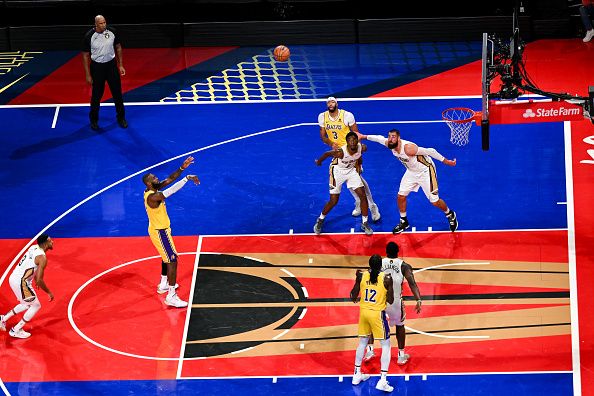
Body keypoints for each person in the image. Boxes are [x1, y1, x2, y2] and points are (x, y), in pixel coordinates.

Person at [358, 129, 458, 234]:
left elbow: (431, 151)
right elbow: (379, 138)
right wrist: (363, 136)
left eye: (393, 137)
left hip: (426, 171)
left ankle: (450, 214)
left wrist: (447, 162)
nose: (390, 139)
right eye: (389, 136)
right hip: (411, 172)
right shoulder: (390, 144)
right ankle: (404, 221)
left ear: (399, 138)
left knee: (434, 201)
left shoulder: (408, 148)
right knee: (401, 196)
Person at [143, 156, 200, 308]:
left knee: (166, 257)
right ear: (149, 183)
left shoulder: (151, 189)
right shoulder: (154, 197)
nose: (157, 178)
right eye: (154, 178)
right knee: (172, 260)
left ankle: (163, 284)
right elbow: (170, 191)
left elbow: (169, 179)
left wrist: (182, 168)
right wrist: (186, 179)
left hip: (160, 229)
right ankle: (171, 296)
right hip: (160, 232)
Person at [318, 97, 380, 222]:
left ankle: (373, 206)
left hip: (351, 151)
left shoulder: (347, 115)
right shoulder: (322, 117)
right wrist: (331, 143)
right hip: (338, 154)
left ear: (337, 103)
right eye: (328, 102)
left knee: (359, 181)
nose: (331, 104)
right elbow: (323, 136)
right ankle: (358, 202)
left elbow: (356, 135)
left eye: (333, 102)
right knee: (349, 182)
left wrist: (357, 155)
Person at [363, 242, 422, 365]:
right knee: (400, 326)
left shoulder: (379, 263)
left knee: (372, 323)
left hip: (380, 299)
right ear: (398, 252)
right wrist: (418, 299)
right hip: (395, 301)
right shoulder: (404, 266)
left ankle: (370, 350)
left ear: (386, 251)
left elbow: (370, 277)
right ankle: (401, 356)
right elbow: (412, 283)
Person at [349, 254, 395, 392]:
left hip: (364, 312)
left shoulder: (361, 275)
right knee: (386, 345)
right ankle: (382, 380)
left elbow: (353, 295)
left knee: (362, 343)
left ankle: (356, 374)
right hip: (377, 315)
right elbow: (391, 300)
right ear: (381, 265)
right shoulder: (386, 278)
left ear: (369, 264)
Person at [314, 131, 373, 235]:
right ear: (347, 142)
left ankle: (365, 223)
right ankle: (320, 219)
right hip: (337, 172)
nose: (353, 142)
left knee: (363, 196)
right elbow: (327, 154)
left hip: (351, 171)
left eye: (354, 139)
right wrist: (319, 161)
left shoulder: (362, 147)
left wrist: (359, 164)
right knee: (334, 201)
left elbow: (359, 156)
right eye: (350, 140)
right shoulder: (340, 152)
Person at [0, 234, 54, 339]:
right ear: (45, 243)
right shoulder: (42, 258)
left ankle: (3, 319)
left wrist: (35, 280)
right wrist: (49, 292)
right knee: (36, 305)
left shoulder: (33, 247)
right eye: (50, 240)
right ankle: (16, 330)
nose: (52, 242)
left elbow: (29, 267)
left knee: (26, 303)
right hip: (21, 283)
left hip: (14, 278)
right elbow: (39, 279)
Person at [82, 15, 127, 131]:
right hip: (97, 68)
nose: (104, 25)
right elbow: (85, 55)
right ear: (96, 24)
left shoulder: (112, 32)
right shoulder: (89, 36)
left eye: (104, 22)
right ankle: (94, 120)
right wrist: (88, 74)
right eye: (101, 23)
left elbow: (118, 47)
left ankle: (121, 117)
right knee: (96, 96)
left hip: (111, 66)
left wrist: (120, 65)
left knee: (117, 93)